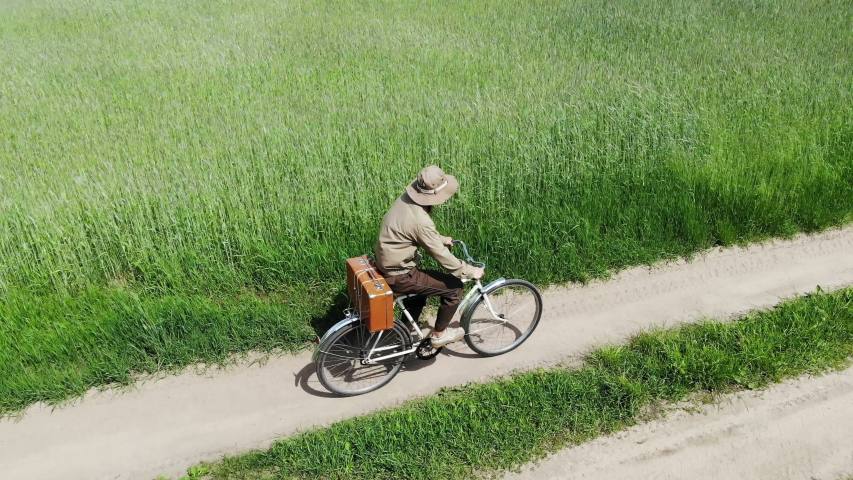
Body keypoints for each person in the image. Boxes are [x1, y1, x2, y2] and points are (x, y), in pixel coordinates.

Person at [374, 165, 485, 348]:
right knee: (454, 288)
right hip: (399, 274)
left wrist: (440, 239)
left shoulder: (404, 200)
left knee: (419, 293)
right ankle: (439, 335)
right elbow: (439, 255)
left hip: (386, 262)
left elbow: (412, 231)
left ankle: (405, 329)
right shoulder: (420, 220)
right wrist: (469, 271)